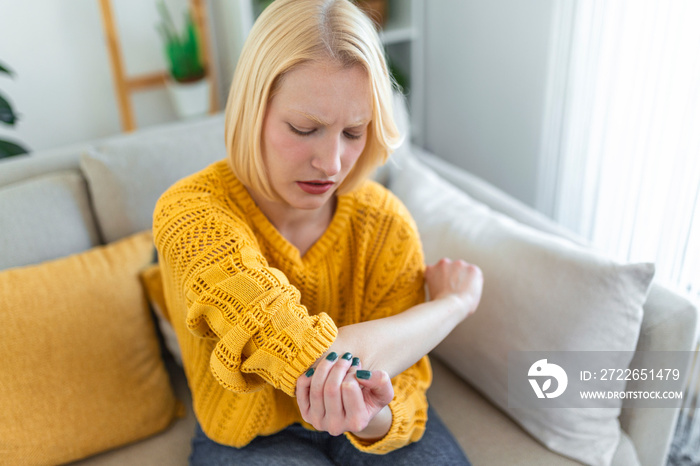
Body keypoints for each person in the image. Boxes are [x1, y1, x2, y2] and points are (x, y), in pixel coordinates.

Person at [152, 0, 483, 464]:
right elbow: (314, 358)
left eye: (353, 132)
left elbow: (406, 391)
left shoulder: (385, 223)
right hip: (255, 437)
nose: (331, 165)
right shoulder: (190, 214)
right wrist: (454, 304)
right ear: (253, 111)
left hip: (371, 420)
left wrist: (368, 419)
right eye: (305, 128)